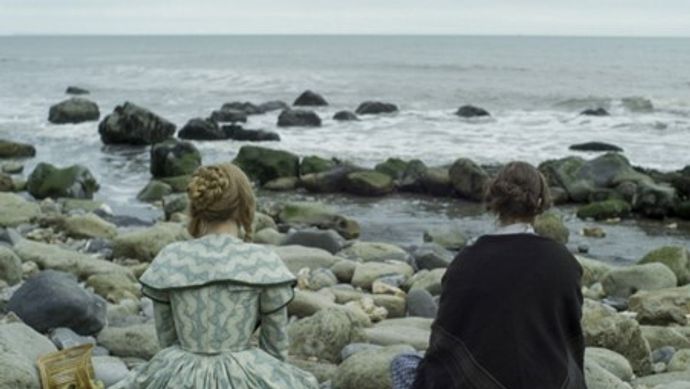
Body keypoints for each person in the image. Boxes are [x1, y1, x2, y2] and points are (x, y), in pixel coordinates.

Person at [113, 163, 318, 389]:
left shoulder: (172, 258)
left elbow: (168, 342)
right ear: (244, 205)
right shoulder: (261, 262)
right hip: (244, 374)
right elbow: (275, 347)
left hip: (181, 373)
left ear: (198, 205)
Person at [391, 161, 586, 389]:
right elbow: (571, 332)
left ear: (494, 200)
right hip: (546, 381)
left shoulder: (466, 261)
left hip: (476, 383)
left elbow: (444, 339)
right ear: (540, 202)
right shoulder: (562, 261)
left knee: (402, 362)